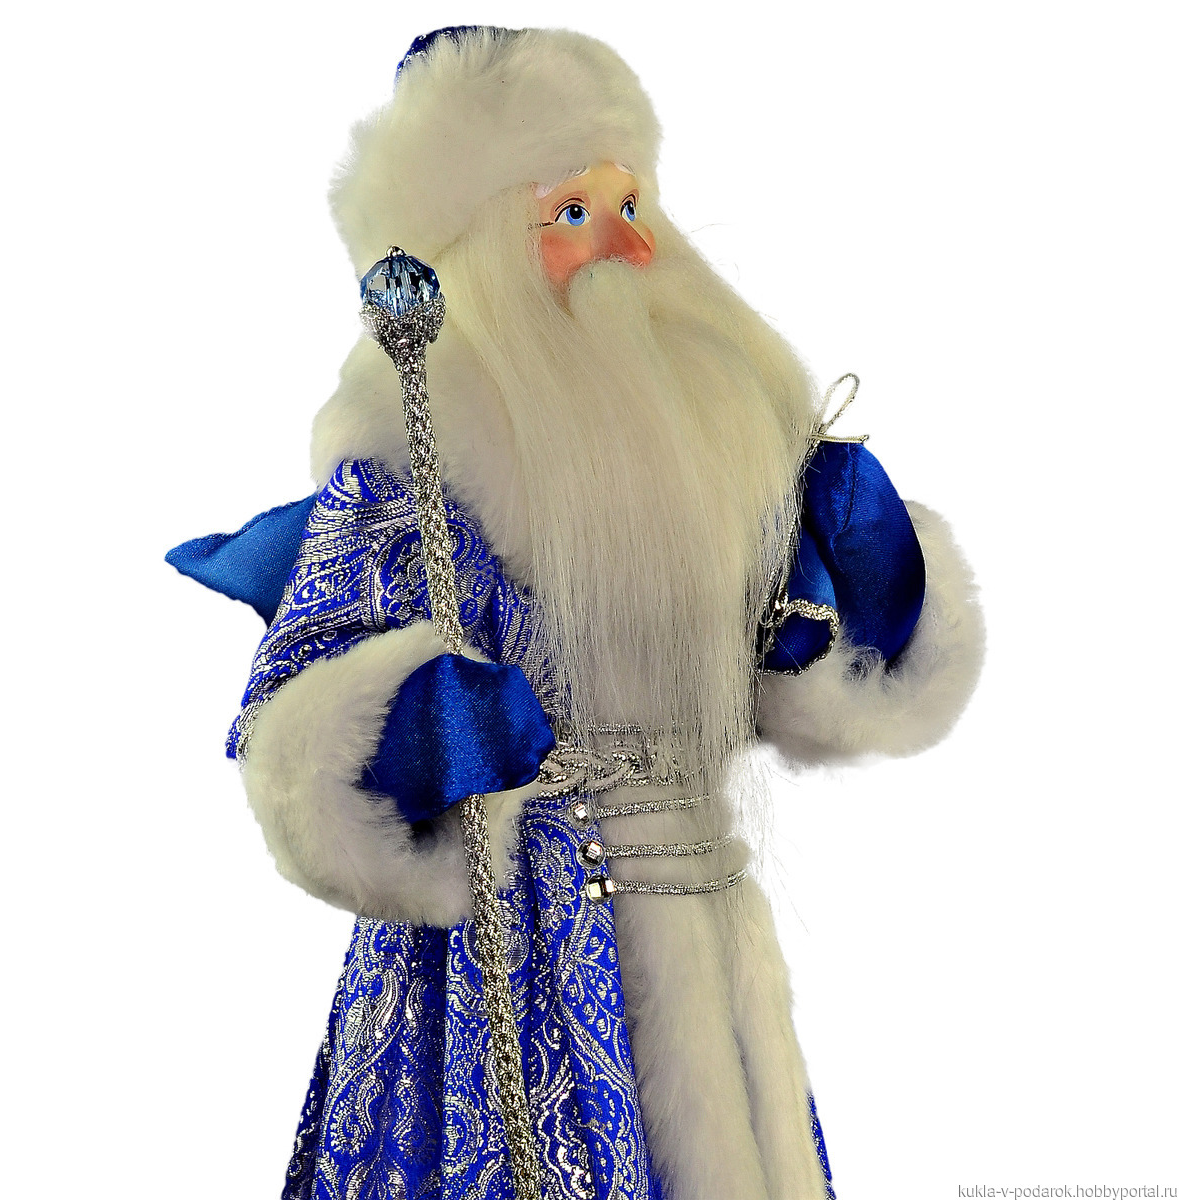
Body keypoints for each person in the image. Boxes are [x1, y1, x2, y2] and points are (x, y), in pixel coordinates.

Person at [207, 25, 983, 1200]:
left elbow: (816, 683)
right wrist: (416, 727)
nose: (628, 245)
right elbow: (297, 735)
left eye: (632, 205)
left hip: (705, 918)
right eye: (574, 213)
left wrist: (863, 586)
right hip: (505, 955)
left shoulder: (708, 449)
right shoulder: (410, 473)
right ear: (485, 256)